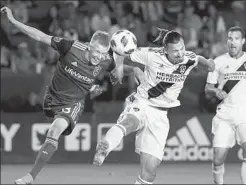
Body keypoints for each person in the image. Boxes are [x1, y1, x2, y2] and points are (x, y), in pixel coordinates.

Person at [0, 6, 144, 184]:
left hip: (73, 103)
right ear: (89, 46)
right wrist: (14, 21)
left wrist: (135, 69)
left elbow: (119, 71)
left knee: (54, 130)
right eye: (96, 51)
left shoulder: (106, 61)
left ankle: (30, 177)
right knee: (51, 124)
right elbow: (39, 36)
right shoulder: (69, 47)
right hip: (51, 98)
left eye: (102, 53)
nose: (99, 56)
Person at [93, 30, 215, 184]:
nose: (180, 53)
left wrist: (209, 62)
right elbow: (120, 52)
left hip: (161, 115)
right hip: (142, 102)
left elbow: (198, 58)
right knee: (130, 122)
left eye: (182, 48)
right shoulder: (150, 54)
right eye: (175, 51)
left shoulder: (188, 58)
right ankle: (106, 145)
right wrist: (127, 69)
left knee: (149, 172)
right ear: (165, 50)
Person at [205, 26, 246, 184]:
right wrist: (215, 92)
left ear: (243, 41)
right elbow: (207, 88)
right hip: (225, 114)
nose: (232, 42)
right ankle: (218, 182)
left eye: (236, 39)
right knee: (218, 157)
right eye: (230, 38)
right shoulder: (218, 62)